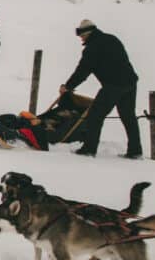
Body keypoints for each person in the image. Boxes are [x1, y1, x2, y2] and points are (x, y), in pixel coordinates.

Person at [59, 19, 142, 159]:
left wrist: (68, 86)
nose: (80, 37)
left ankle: (89, 149)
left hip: (113, 85)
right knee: (129, 117)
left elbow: (82, 71)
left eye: (81, 34)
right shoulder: (112, 38)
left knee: (94, 116)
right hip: (130, 83)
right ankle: (135, 151)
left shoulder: (92, 48)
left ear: (88, 33)